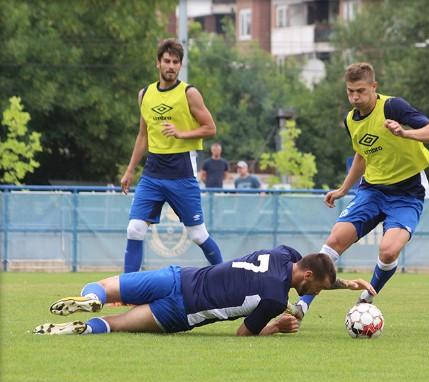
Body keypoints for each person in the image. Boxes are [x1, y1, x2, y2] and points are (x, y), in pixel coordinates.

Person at [294, 62, 429, 318]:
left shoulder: (393, 107)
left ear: (374, 87)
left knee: (388, 250)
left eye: (360, 91)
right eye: (350, 91)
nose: (354, 97)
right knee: (333, 241)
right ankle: (302, 305)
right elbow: (361, 156)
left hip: (407, 192)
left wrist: (406, 133)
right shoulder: (351, 120)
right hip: (372, 190)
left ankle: (367, 296)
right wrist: (343, 189)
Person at [33, 245, 375, 336]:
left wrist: (342, 284)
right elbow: (244, 332)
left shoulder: (283, 254)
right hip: (179, 314)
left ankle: (90, 298)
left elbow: (308, 269)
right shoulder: (273, 300)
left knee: (108, 286)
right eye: (312, 288)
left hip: (180, 277)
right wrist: (276, 326)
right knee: (118, 323)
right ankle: (83, 328)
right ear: (308, 276)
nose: (308, 293)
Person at [120, 39, 223, 273]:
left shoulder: (189, 93)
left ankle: (229, 281)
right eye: (167, 61)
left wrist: (181, 133)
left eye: (176, 62)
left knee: (197, 234)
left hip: (182, 171)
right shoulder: (144, 94)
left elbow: (210, 128)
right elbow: (142, 136)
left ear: (180, 66)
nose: (171, 66)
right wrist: (129, 171)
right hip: (153, 172)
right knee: (135, 229)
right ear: (158, 63)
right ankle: (129, 291)